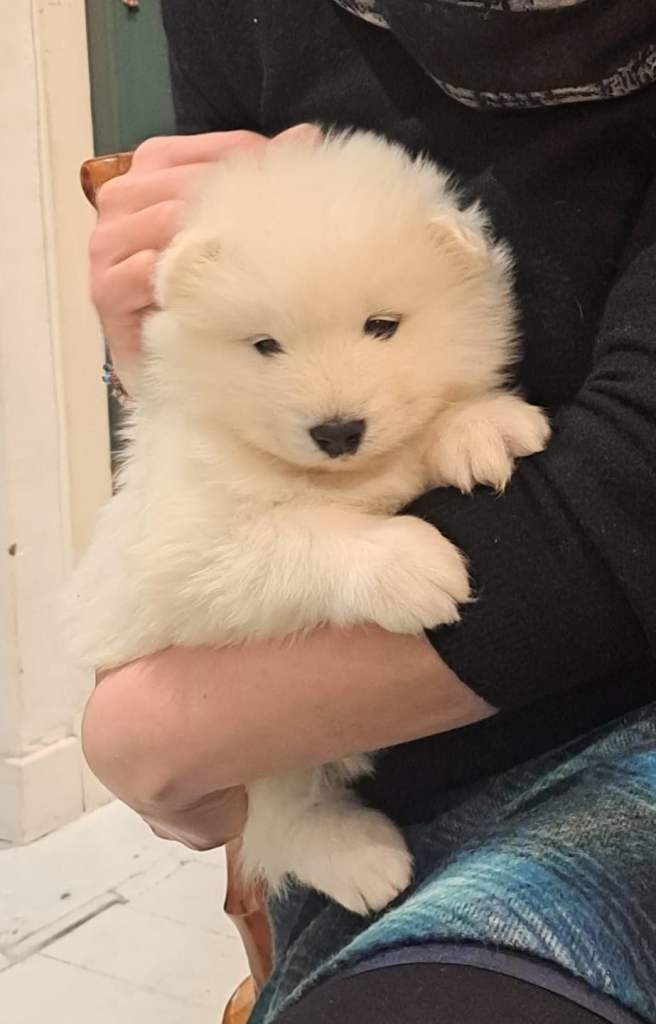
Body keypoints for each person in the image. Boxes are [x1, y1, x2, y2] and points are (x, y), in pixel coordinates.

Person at [82, 2, 656, 1021]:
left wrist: (157, 729)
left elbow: (626, 478)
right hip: (325, 743)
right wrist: (140, 351)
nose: (336, 399)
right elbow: (192, 383)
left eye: (381, 326)